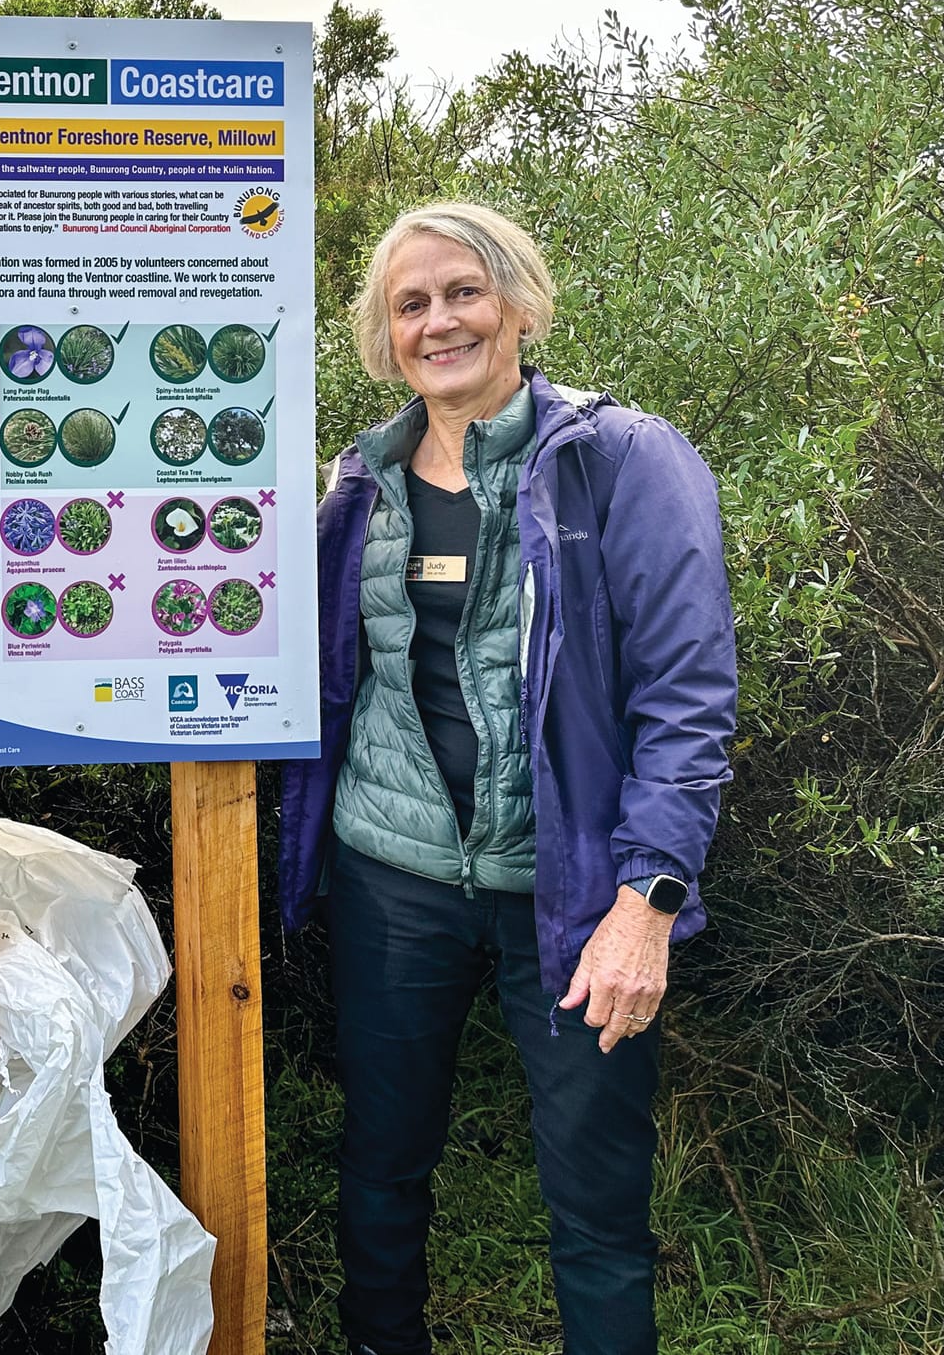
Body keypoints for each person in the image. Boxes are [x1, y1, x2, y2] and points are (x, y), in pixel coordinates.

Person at [276, 201, 737, 1355]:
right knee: (381, 1171)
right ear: (386, 338)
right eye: (411, 304)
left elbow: (685, 700)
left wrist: (645, 907)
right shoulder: (357, 491)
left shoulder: (619, 462)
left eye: (462, 293)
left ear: (518, 304)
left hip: (574, 892)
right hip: (393, 879)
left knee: (594, 1204)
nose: (440, 322)